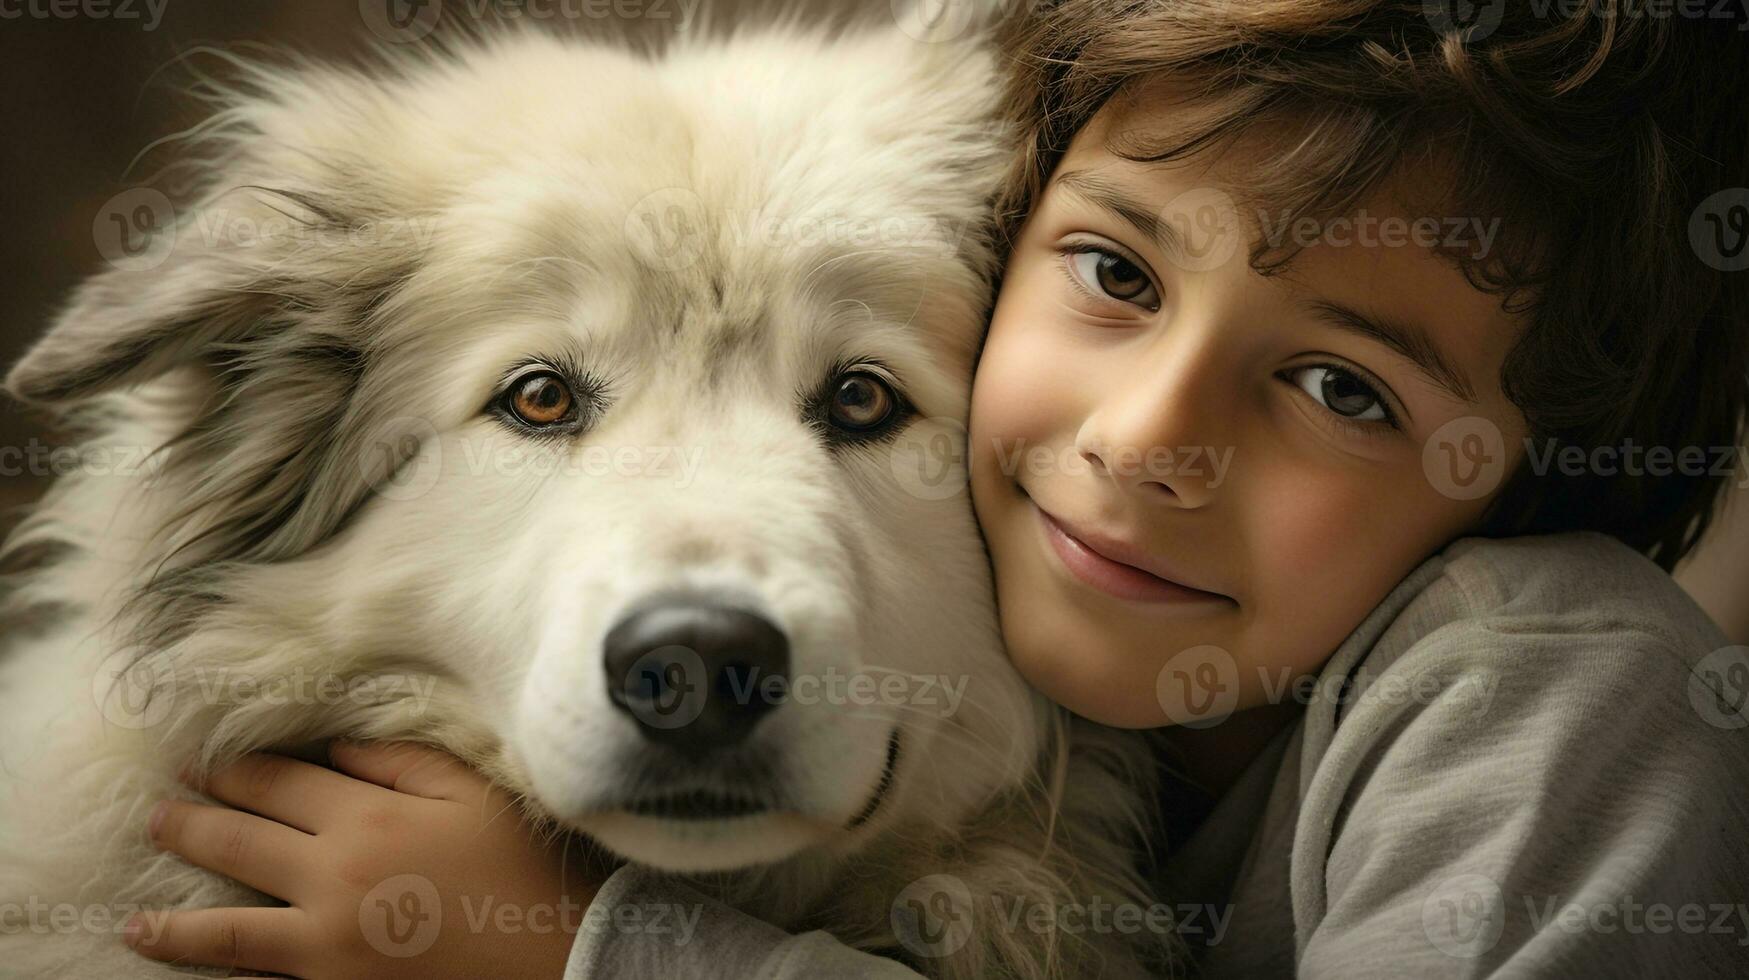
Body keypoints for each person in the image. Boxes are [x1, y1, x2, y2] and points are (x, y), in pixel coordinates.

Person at [122, 1, 1749, 976]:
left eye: (1341, 387)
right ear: (1017, 243)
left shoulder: (1556, 681)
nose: (1142, 442)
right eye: (1114, 274)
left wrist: (581, 952)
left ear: (1537, 473)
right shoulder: (1118, 663)